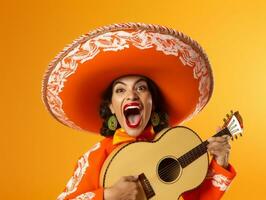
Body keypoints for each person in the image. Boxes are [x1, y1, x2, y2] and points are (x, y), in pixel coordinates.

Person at [42, 23, 236, 200]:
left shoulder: (174, 148)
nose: (132, 96)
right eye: (120, 90)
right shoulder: (96, 156)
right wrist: (108, 196)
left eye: (141, 88)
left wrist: (220, 163)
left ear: (153, 102)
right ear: (111, 106)